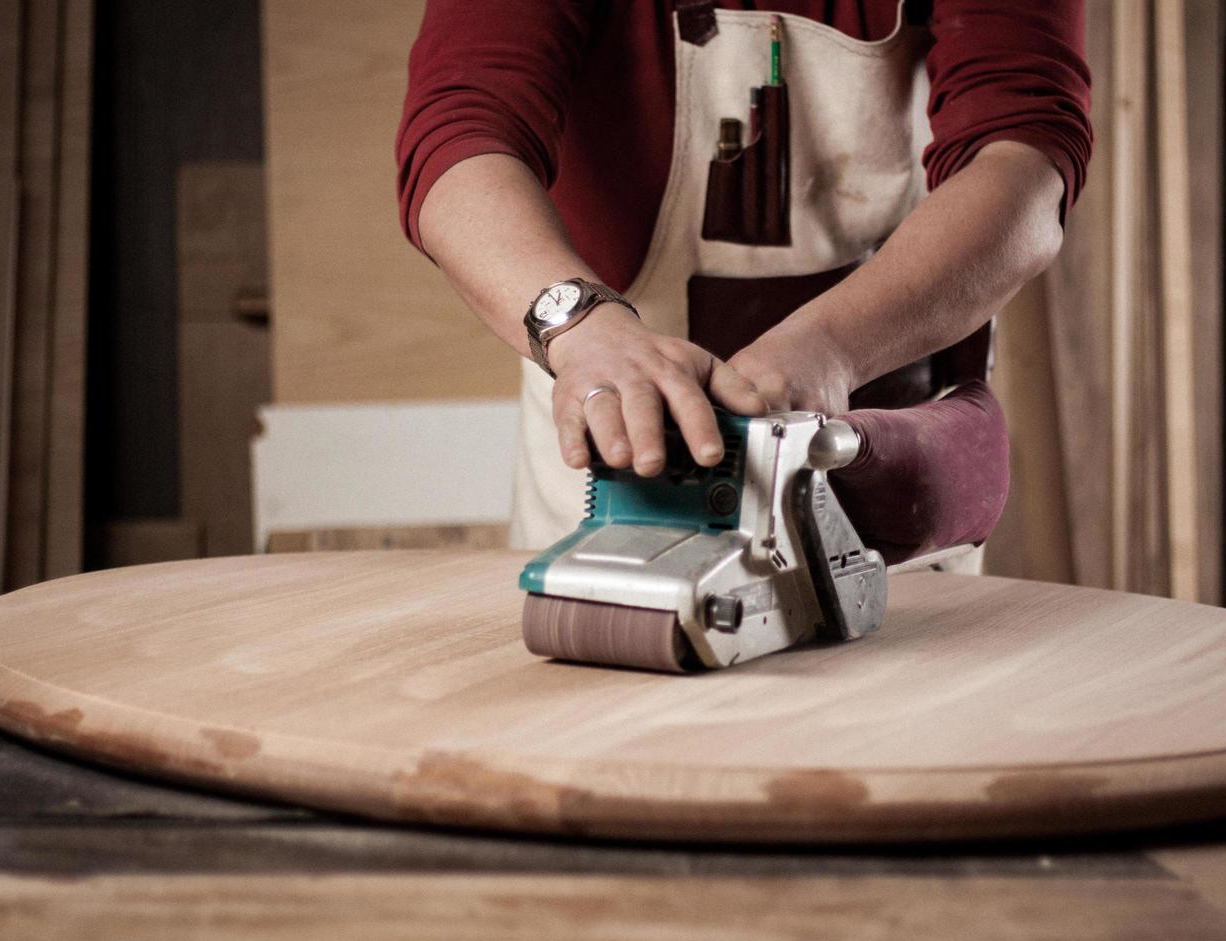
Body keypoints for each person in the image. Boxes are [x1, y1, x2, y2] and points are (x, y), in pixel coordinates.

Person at [397, 1, 1092, 558]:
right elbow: (461, 134)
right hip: (618, 447)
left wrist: (832, 347)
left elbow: (1023, 160)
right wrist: (578, 324)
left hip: (879, 431)